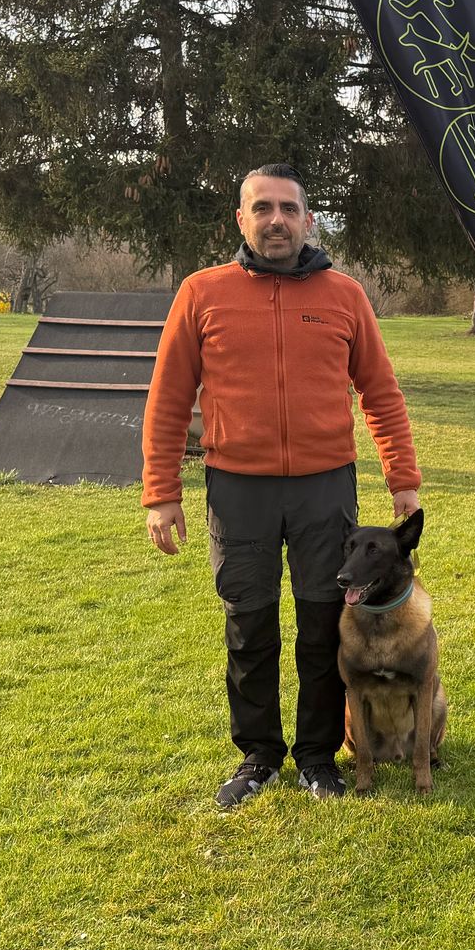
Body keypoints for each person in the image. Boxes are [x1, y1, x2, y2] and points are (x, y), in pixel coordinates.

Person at [142, 163, 422, 808]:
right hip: (238, 488)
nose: (276, 220)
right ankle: (260, 754)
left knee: (325, 623)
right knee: (250, 622)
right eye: (262, 208)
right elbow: (168, 398)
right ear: (241, 220)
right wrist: (161, 491)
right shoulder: (201, 293)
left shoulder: (343, 295)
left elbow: (379, 391)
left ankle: (320, 754)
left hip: (326, 489)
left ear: (308, 220)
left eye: (289, 209)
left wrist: (402, 478)